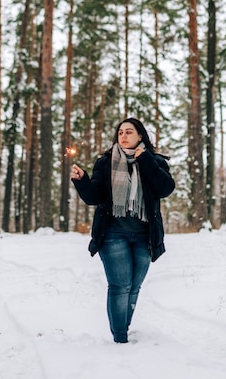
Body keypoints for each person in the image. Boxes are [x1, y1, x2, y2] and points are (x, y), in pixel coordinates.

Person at [71, 117, 175, 344]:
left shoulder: (154, 161)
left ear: (140, 136)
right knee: (120, 286)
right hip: (113, 234)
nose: (124, 136)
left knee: (134, 286)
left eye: (129, 132)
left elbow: (165, 188)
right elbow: (94, 197)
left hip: (145, 235)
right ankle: (120, 338)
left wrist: (145, 159)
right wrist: (82, 181)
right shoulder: (106, 163)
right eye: (120, 132)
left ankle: (123, 329)